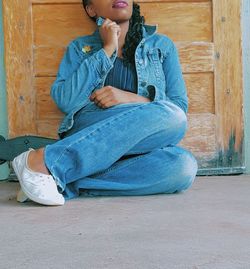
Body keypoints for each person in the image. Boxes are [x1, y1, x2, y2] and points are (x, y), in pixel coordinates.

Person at [12, 0, 198, 206]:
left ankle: (58, 179)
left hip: (138, 146)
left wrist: (129, 98)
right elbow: (66, 101)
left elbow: (179, 105)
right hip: (90, 130)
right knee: (173, 117)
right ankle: (43, 163)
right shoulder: (80, 48)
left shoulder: (161, 46)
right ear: (91, 9)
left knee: (184, 167)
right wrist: (108, 48)